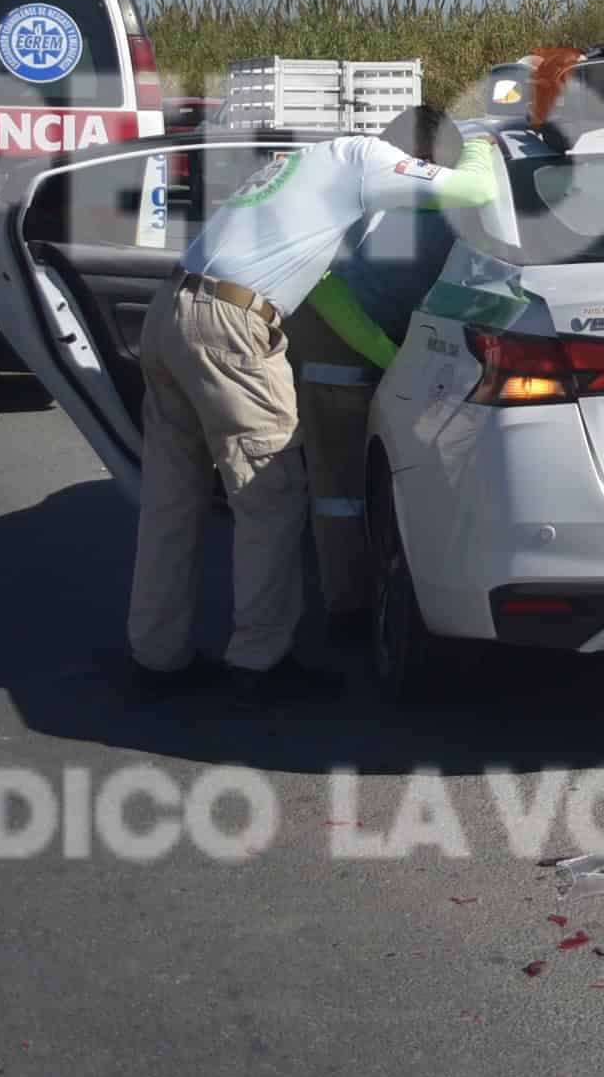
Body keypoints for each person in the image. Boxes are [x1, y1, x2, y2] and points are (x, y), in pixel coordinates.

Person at [129, 109, 499, 707]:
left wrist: (388, 355)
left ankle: (156, 654)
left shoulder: (304, 165)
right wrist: (484, 145)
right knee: (270, 494)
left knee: (171, 500)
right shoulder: (370, 161)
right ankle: (259, 663)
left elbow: (323, 288)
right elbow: (476, 187)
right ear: (419, 161)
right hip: (232, 326)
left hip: (170, 312)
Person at [287, 104, 470, 639]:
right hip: (373, 350)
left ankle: (351, 603)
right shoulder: (450, 206)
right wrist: (390, 359)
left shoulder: (357, 191)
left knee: (339, 485)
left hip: (340, 344)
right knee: (365, 484)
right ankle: (364, 601)